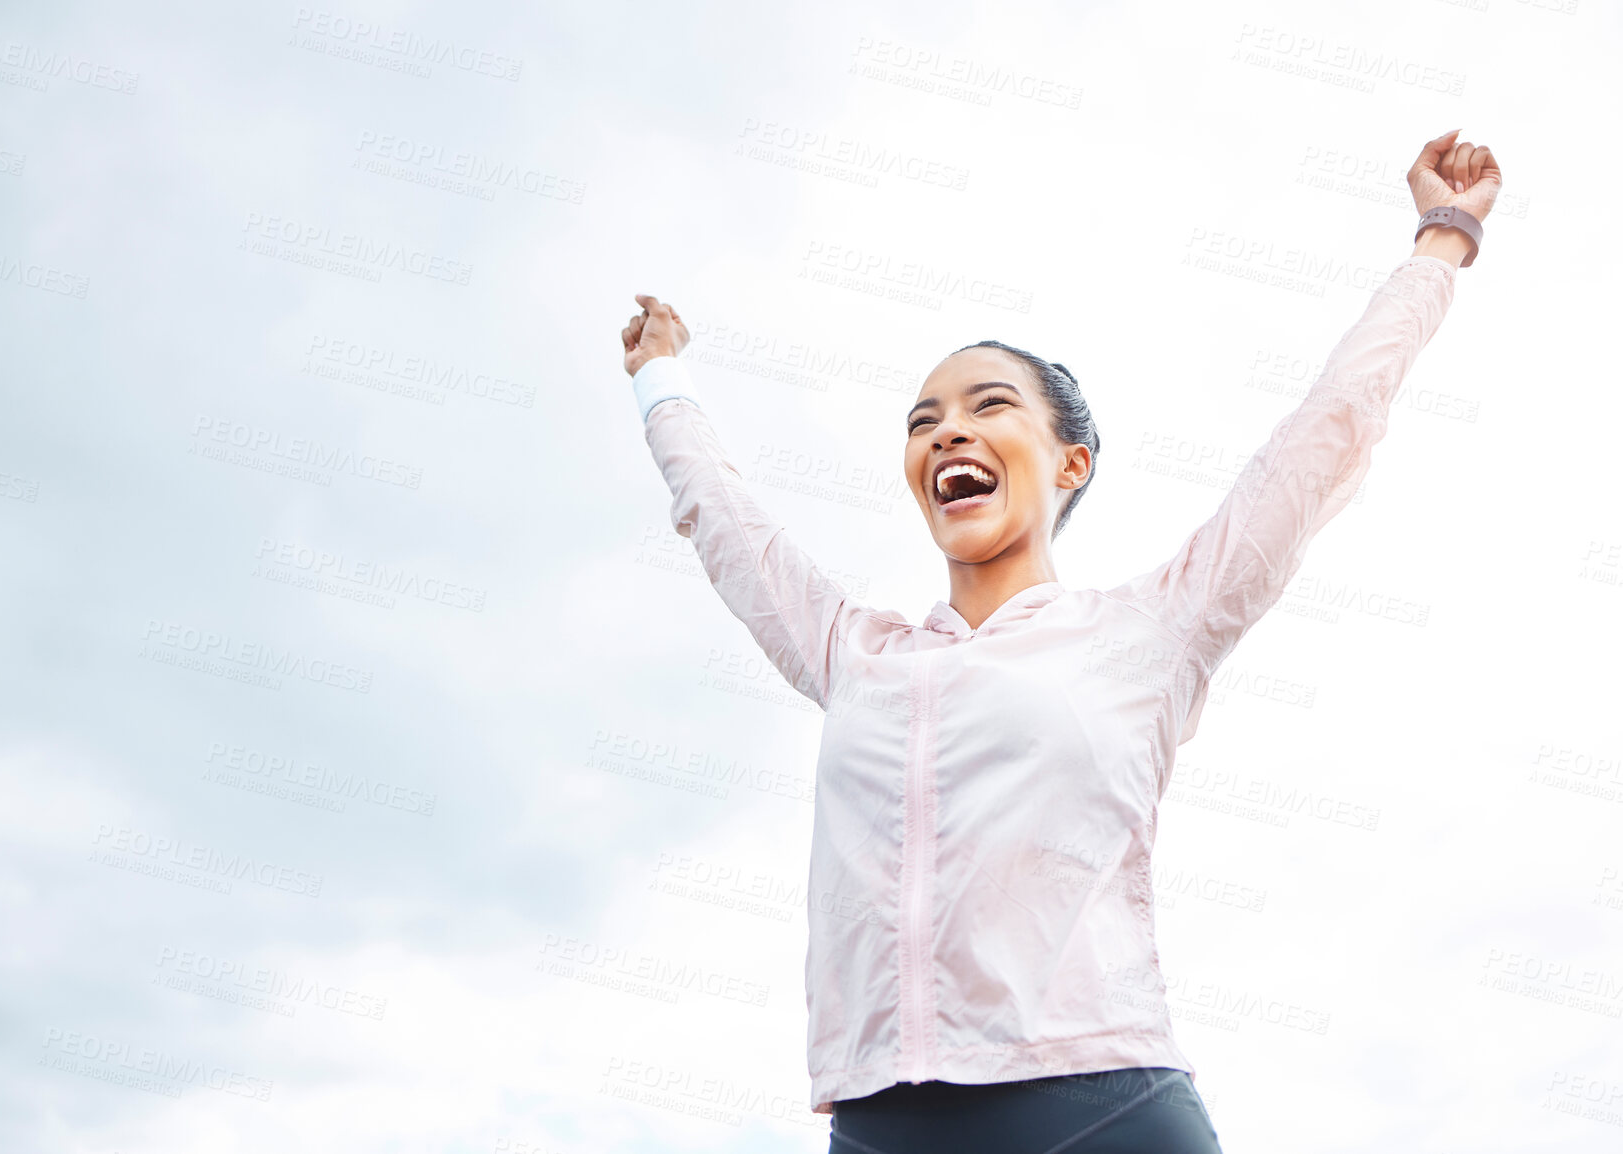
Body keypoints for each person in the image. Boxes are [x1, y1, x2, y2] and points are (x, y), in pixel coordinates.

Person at [615, 129, 1500, 1153]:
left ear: (1068, 461)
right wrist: (658, 380)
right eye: (923, 419)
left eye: (988, 407)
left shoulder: (1148, 628)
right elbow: (724, 524)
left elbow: (1323, 432)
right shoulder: (853, 654)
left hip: (1098, 1108)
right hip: (878, 1118)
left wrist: (1440, 240)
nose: (947, 431)